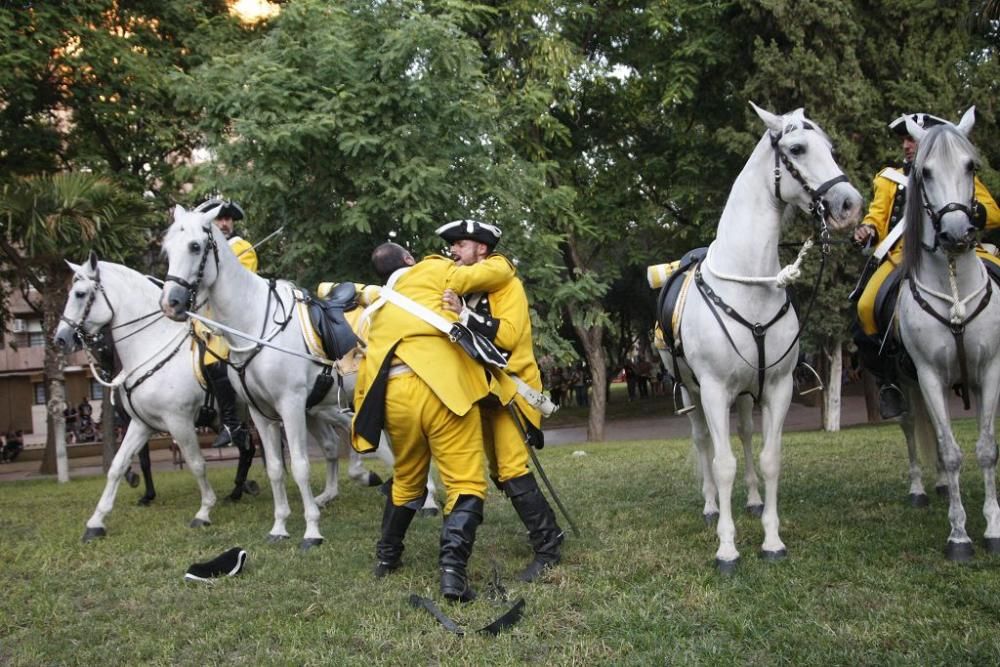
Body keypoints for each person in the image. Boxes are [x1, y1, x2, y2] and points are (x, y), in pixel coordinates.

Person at [351, 241, 516, 602]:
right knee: (465, 482)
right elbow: (488, 274)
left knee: (407, 479)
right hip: (442, 388)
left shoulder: (377, 304)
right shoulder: (431, 268)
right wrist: (501, 261)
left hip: (393, 396)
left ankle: (386, 557)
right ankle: (452, 575)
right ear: (409, 259)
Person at [438, 219, 565, 582]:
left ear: (481, 248)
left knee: (511, 469)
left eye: (460, 245)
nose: (454, 251)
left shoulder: (509, 285)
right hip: (479, 392)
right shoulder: (468, 284)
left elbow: (509, 335)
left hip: (512, 388)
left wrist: (464, 314)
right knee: (498, 473)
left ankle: (549, 545)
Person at [852, 112, 1000, 419]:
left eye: (913, 138)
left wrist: (968, 216)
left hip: (963, 248)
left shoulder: (959, 168)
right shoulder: (888, 178)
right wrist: (868, 230)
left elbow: (993, 212)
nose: (907, 145)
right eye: (905, 139)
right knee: (866, 307)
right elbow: (878, 216)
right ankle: (890, 381)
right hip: (904, 256)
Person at [193, 198, 259, 500]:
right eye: (219, 219)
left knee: (214, 360)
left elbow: (230, 289)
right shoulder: (201, 249)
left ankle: (231, 423)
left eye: (228, 219)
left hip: (231, 322)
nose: (224, 223)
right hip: (202, 320)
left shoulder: (241, 247)